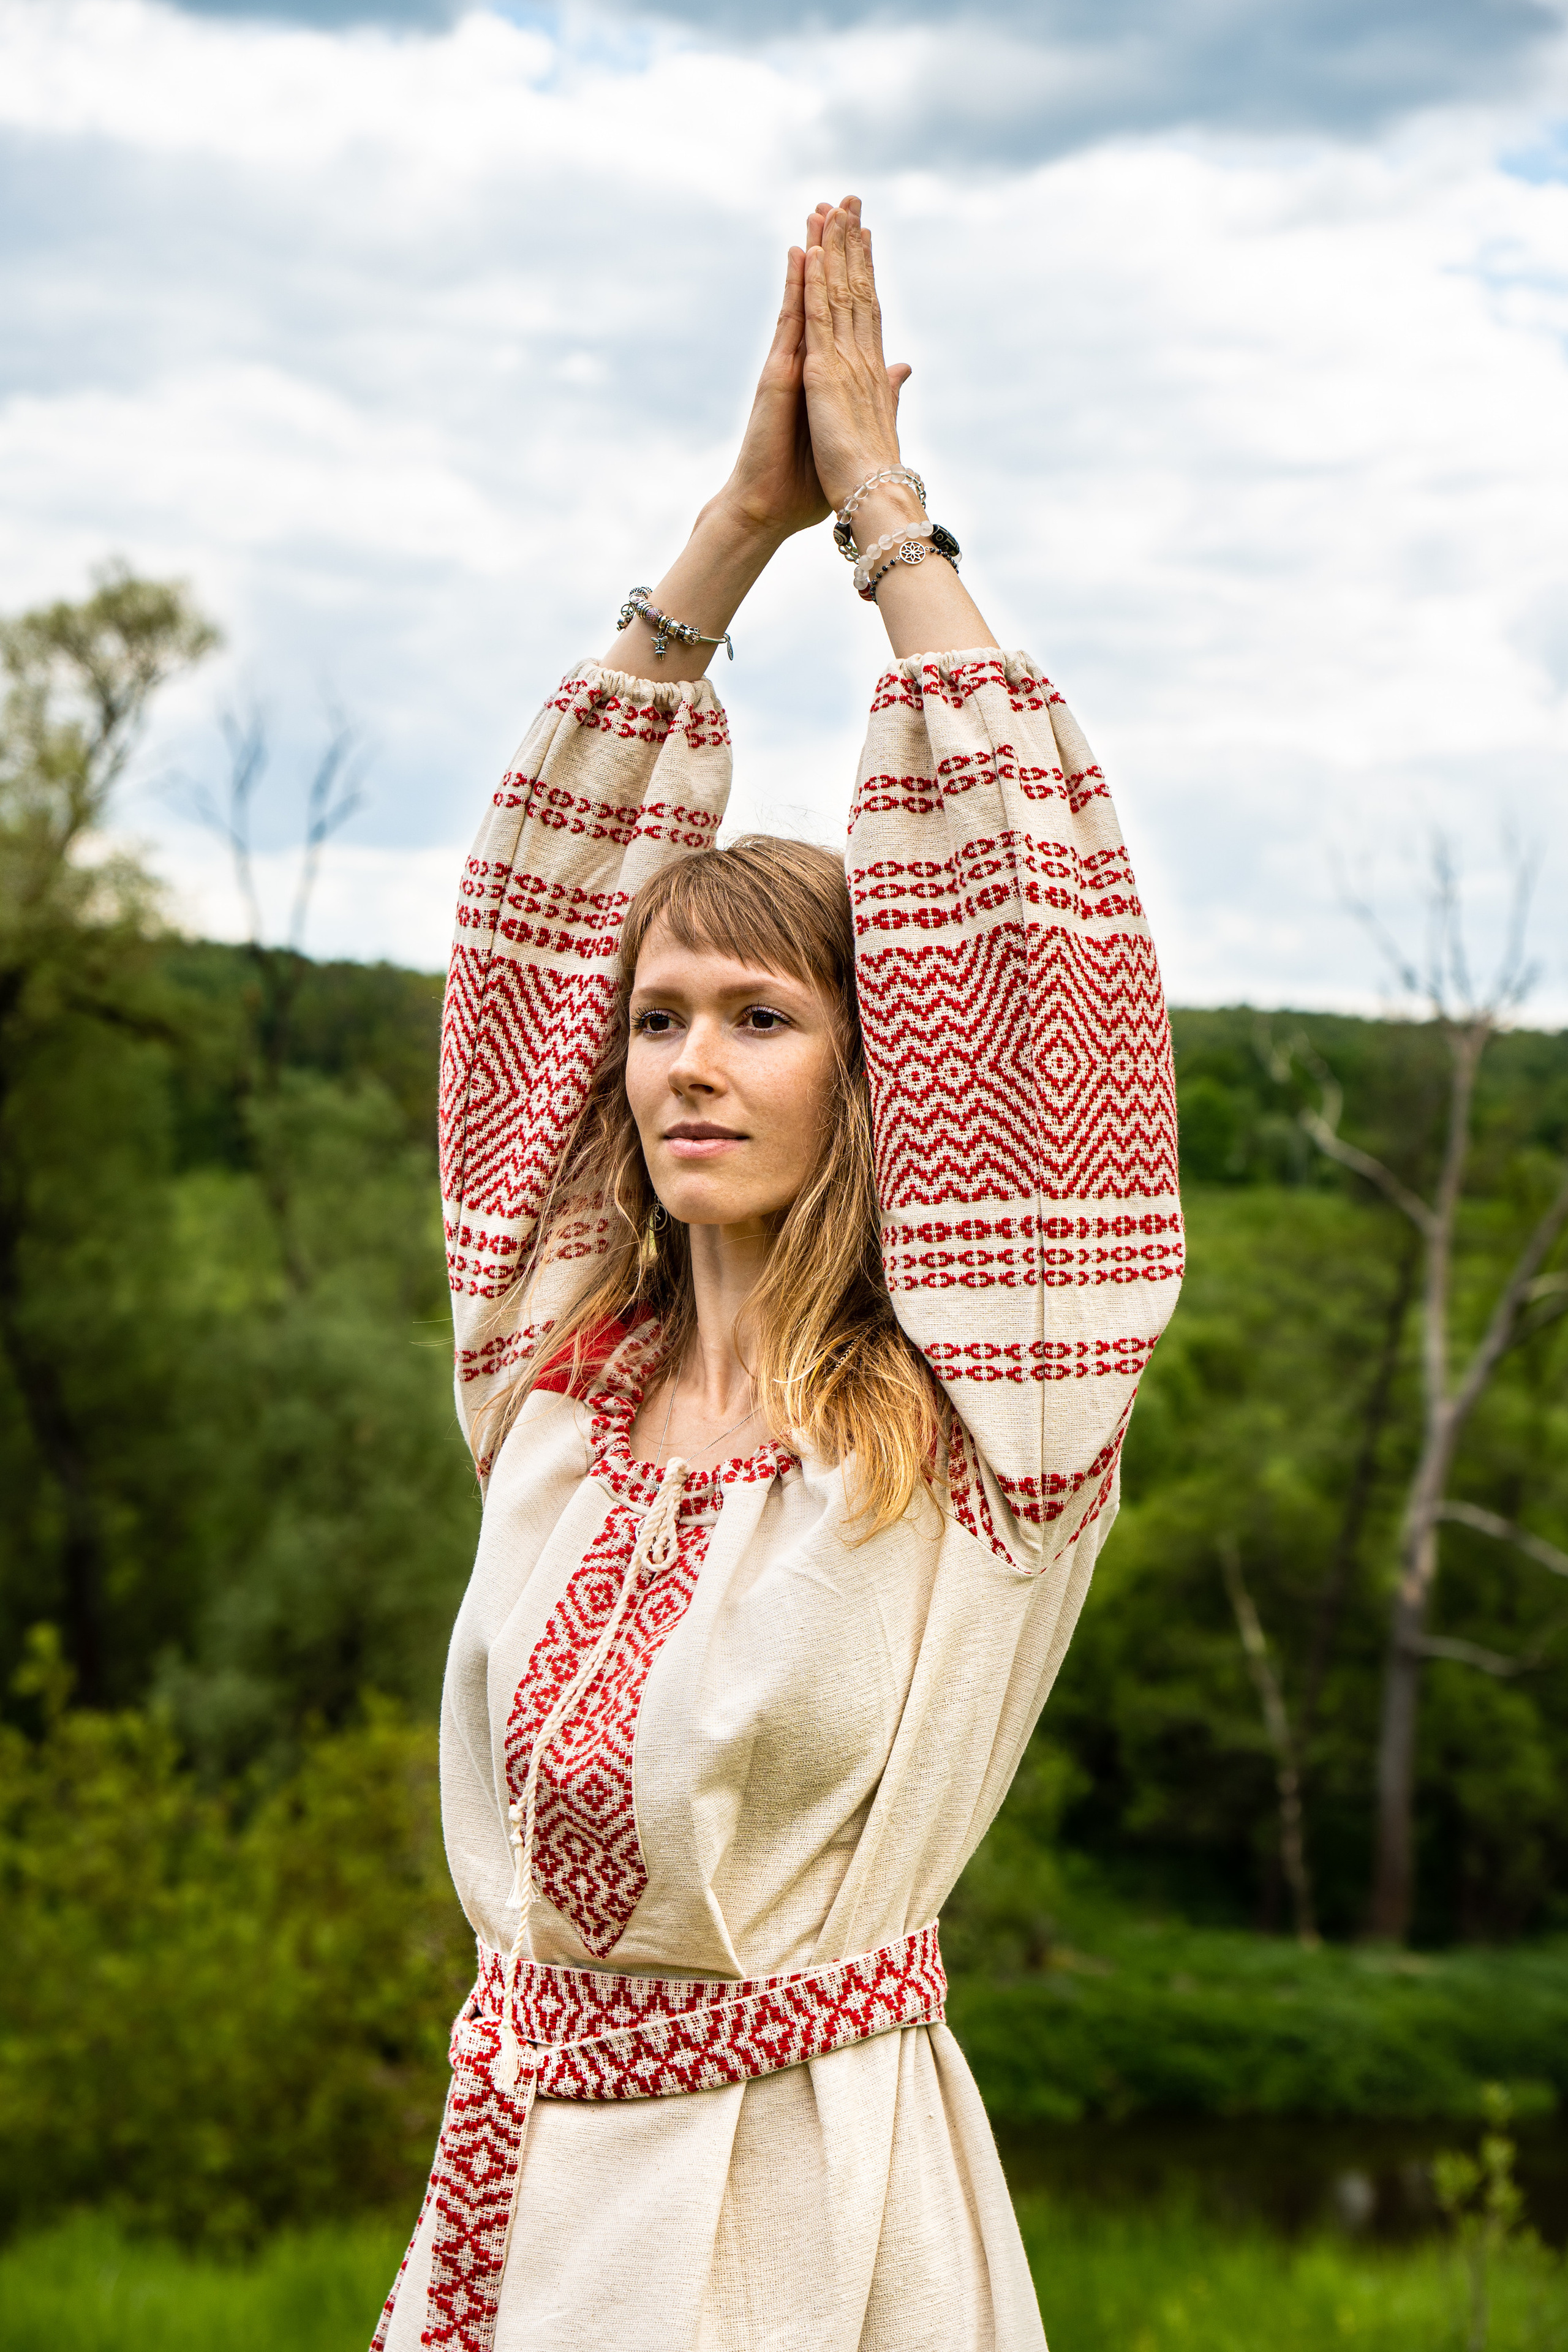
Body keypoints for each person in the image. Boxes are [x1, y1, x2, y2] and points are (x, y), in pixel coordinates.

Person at [374, 195, 1183, 2352]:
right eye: (660, 1020)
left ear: (879, 1066)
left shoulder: (988, 1422)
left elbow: (1039, 956)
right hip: (522, 2215)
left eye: (759, 1017)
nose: (686, 1065)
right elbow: (531, 942)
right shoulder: (555, 1381)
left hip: (812, 2226)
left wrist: (883, 524)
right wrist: (734, 522)